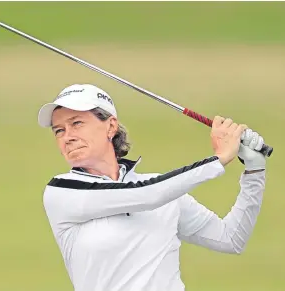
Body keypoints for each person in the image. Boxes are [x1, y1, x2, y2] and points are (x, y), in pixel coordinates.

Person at [38, 84, 267, 291]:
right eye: (59, 130)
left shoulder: (164, 191)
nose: (67, 137)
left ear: (110, 127)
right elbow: (147, 194)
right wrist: (219, 159)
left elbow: (230, 239)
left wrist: (254, 171)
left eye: (76, 123)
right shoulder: (62, 192)